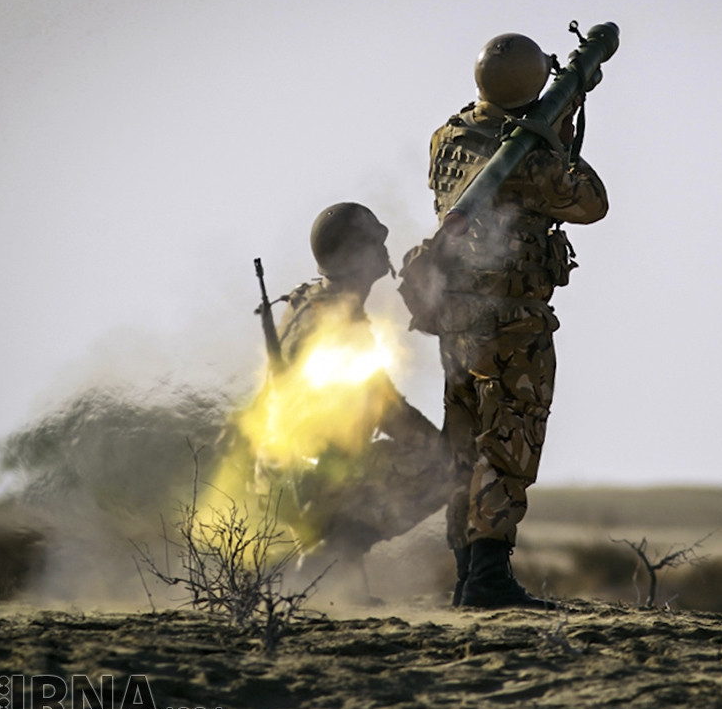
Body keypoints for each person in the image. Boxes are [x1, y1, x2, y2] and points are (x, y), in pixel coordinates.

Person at [399, 33, 608, 608]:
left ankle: (467, 576)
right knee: (508, 442)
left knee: (463, 445)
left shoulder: (449, 135)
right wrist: (559, 135)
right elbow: (591, 202)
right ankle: (488, 579)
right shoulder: (535, 161)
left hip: (455, 317)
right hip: (511, 321)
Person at [244, 202, 446, 580]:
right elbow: (387, 411)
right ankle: (333, 554)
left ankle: (340, 569)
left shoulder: (307, 300)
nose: (384, 250)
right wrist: (445, 444)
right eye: (374, 243)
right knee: (444, 467)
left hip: (279, 473)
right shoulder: (341, 325)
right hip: (308, 476)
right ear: (357, 255)